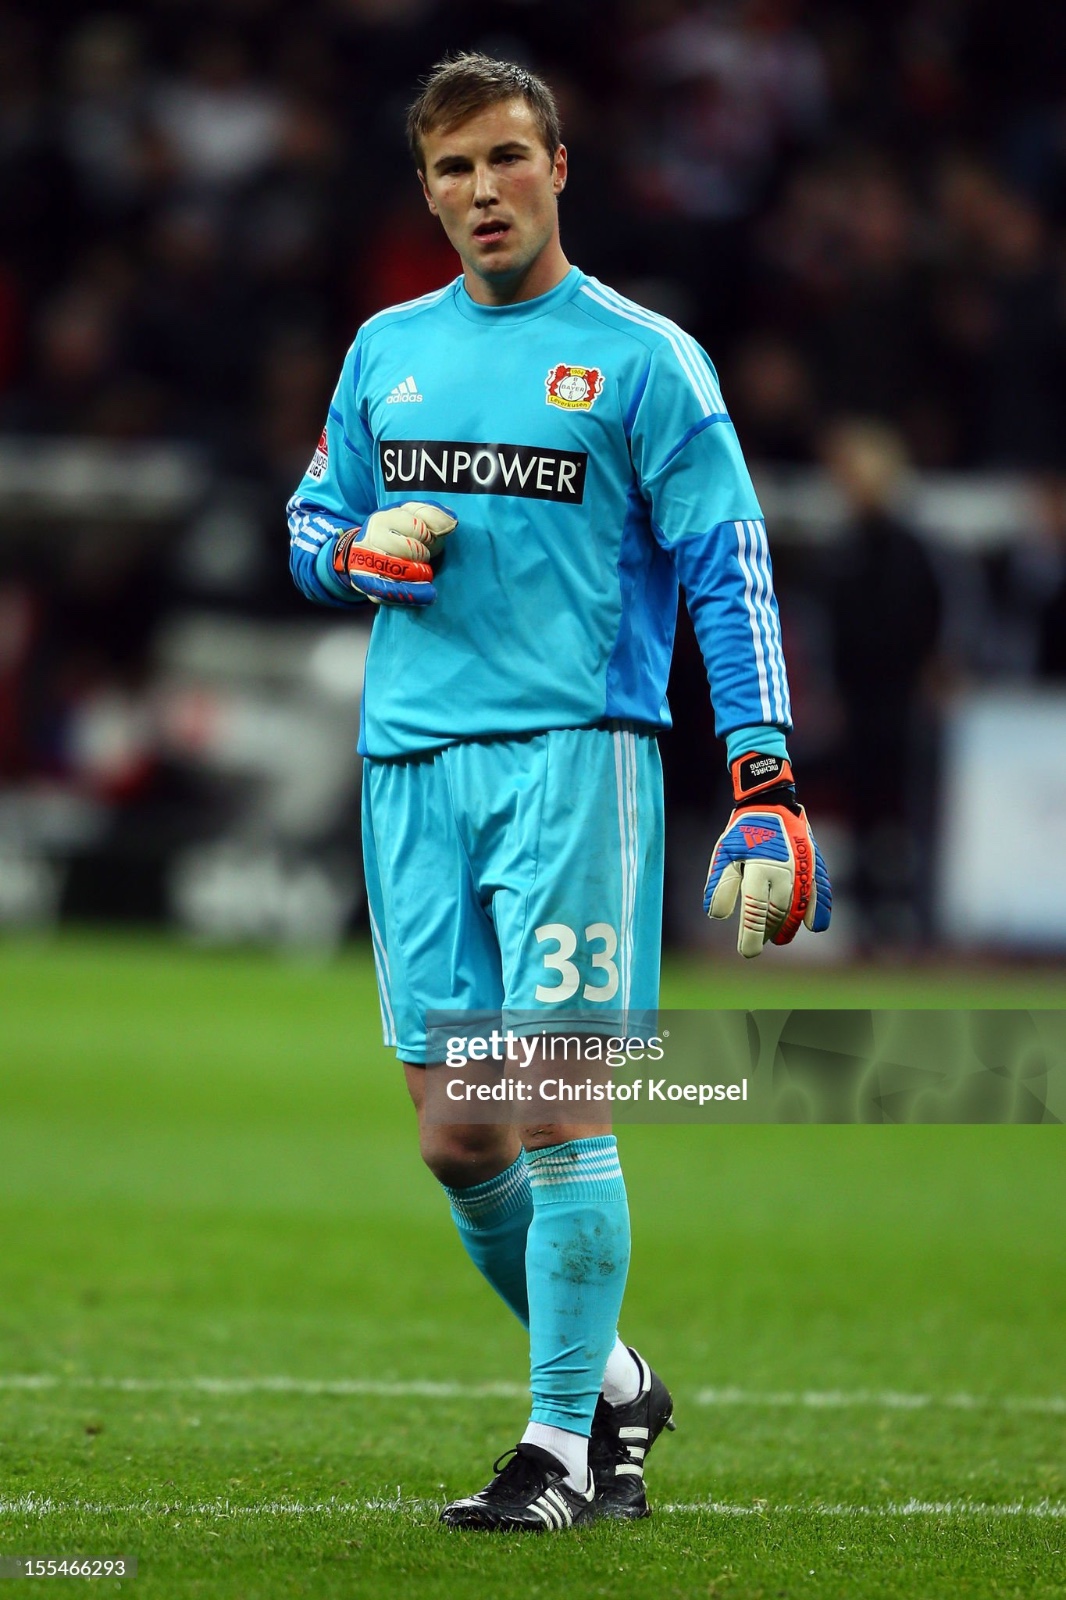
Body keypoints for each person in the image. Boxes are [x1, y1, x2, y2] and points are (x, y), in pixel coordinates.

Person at [287, 52, 830, 1533]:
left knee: (551, 1105)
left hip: (574, 762)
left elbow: (728, 565)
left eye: (507, 158)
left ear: (558, 167)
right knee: (457, 1135)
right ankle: (615, 1384)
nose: (484, 191)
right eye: (454, 169)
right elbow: (311, 520)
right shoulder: (385, 350)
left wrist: (764, 775)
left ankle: (557, 1452)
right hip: (410, 765)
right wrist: (350, 557)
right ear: (426, 191)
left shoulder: (647, 360)